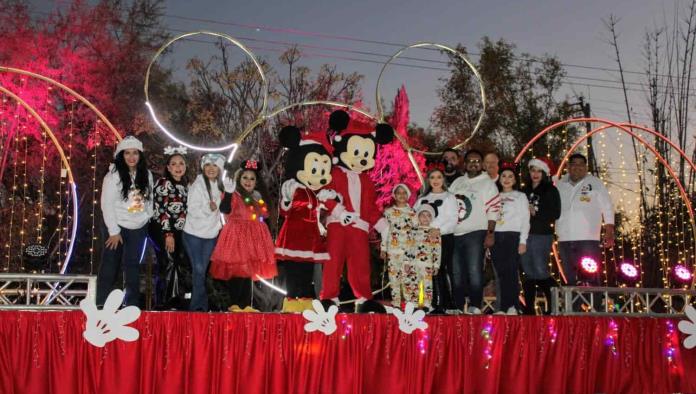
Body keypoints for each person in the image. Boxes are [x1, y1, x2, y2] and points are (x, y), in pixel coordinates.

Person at [209, 159, 277, 309]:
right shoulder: (234, 194)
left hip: (253, 242)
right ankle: (235, 306)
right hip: (237, 239)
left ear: (256, 182)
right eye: (245, 177)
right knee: (237, 273)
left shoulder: (258, 197)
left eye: (252, 178)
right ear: (239, 178)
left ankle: (245, 307)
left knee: (248, 275)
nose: (248, 181)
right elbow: (225, 210)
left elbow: (262, 218)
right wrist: (228, 193)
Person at [97, 136, 154, 307]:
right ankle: (102, 303)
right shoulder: (112, 176)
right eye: (127, 153)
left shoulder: (147, 174)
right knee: (110, 264)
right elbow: (106, 204)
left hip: (138, 226)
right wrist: (114, 231)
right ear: (121, 155)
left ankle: (132, 305)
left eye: (135, 153)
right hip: (116, 225)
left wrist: (147, 215)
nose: (131, 157)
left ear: (140, 155)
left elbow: (149, 198)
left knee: (133, 266)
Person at [449, 149, 501, 314]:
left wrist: (490, 233)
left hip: (476, 233)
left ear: (482, 164)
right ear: (465, 164)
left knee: (474, 270)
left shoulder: (487, 183)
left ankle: (475, 305)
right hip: (455, 233)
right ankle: (457, 306)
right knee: (456, 272)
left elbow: (494, 209)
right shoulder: (457, 182)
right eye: (470, 161)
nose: (473, 163)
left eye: (477, 161)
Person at [556, 153, 614, 286]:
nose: (577, 167)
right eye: (574, 164)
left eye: (581, 164)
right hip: (564, 237)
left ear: (585, 167)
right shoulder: (559, 184)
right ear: (568, 167)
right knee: (570, 277)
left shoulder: (595, 183)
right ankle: (574, 306)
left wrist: (609, 229)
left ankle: (595, 306)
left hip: (588, 238)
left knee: (591, 276)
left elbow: (607, 206)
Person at [183, 153, 229, 312]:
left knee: (202, 271)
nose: (211, 168)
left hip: (210, 235)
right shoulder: (198, 184)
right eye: (208, 165)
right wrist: (208, 209)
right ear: (203, 168)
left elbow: (225, 208)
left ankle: (200, 306)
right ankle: (198, 307)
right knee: (199, 269)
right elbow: (192, 209)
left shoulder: (221, 187)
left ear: (220, 169)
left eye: (215, 165)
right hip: (193, 233)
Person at [414, 168, 458, 313]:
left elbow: (453, 219)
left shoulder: (449, 197)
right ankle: (428, 303)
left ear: (443, 180)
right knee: (425, 272)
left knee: (439, 269)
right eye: (432, 177)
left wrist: (438, 230)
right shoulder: (421, 198)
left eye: (439, 177)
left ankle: (444, 303)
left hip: (443, 237)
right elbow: (414, 217)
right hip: (423, 240)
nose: (436, 180)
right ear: (428, 180)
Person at [520, 158, 561, 315]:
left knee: (540, 270)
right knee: (528, 271)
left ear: (544, 173)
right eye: (532, 170)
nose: (535, 174)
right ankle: (529, 309)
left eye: (539, 171)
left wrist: (536, 213)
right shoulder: (524, 191)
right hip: (524, 234)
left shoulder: (550, 190)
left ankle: (553, 306)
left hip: (541, 234)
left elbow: (555, 213)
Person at [151, 145, 189, 309]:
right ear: (168, 167)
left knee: (176, 263)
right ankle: (166, 301)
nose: (178, 167)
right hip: (163, 228)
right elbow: (160, 209)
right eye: (173, 164)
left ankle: (174, 298)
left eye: (181, 163)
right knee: (168, 262)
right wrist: (168, 234)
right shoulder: (163, 183)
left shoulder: (185, 185)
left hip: (179, 230)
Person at [490, 163, 529, 315]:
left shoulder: (520, 196)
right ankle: (503, 307)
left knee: (511, 273)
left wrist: (523, 241)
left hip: (512, 236)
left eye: (510, 176)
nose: (506, 179)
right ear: (499, 179)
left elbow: (525, 220)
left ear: (515, 180)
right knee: (500, 273)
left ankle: (513, 306)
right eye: (504, 176)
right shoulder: (494, 196)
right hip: (496, 237)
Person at [381, 184, 418, 308]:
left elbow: (416, 232)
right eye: (398, 193)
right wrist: (383, 248)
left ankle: (410, 304)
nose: (401, 195)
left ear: (408, 195)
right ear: (394, 196)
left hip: (408, 252)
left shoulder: (412, 213)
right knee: (394, 277)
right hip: (393, 250)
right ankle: (396, 302)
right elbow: (385, 231)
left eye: (404, 192)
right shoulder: (388, 212)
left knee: (408, 277)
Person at [404, 204, 441, 310]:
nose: (425, 217)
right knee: (413, 284)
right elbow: (408, 247)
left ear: (432, 218)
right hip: (413, 264)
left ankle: (427, 306)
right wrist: (406, 262)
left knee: (427, 286)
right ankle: (413, 306)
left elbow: (437, 249)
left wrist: (436, 265)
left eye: (428, 215)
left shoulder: (435, 232)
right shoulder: (413, 231)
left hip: (427, 265)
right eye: (423, 215)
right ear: (418, 217)